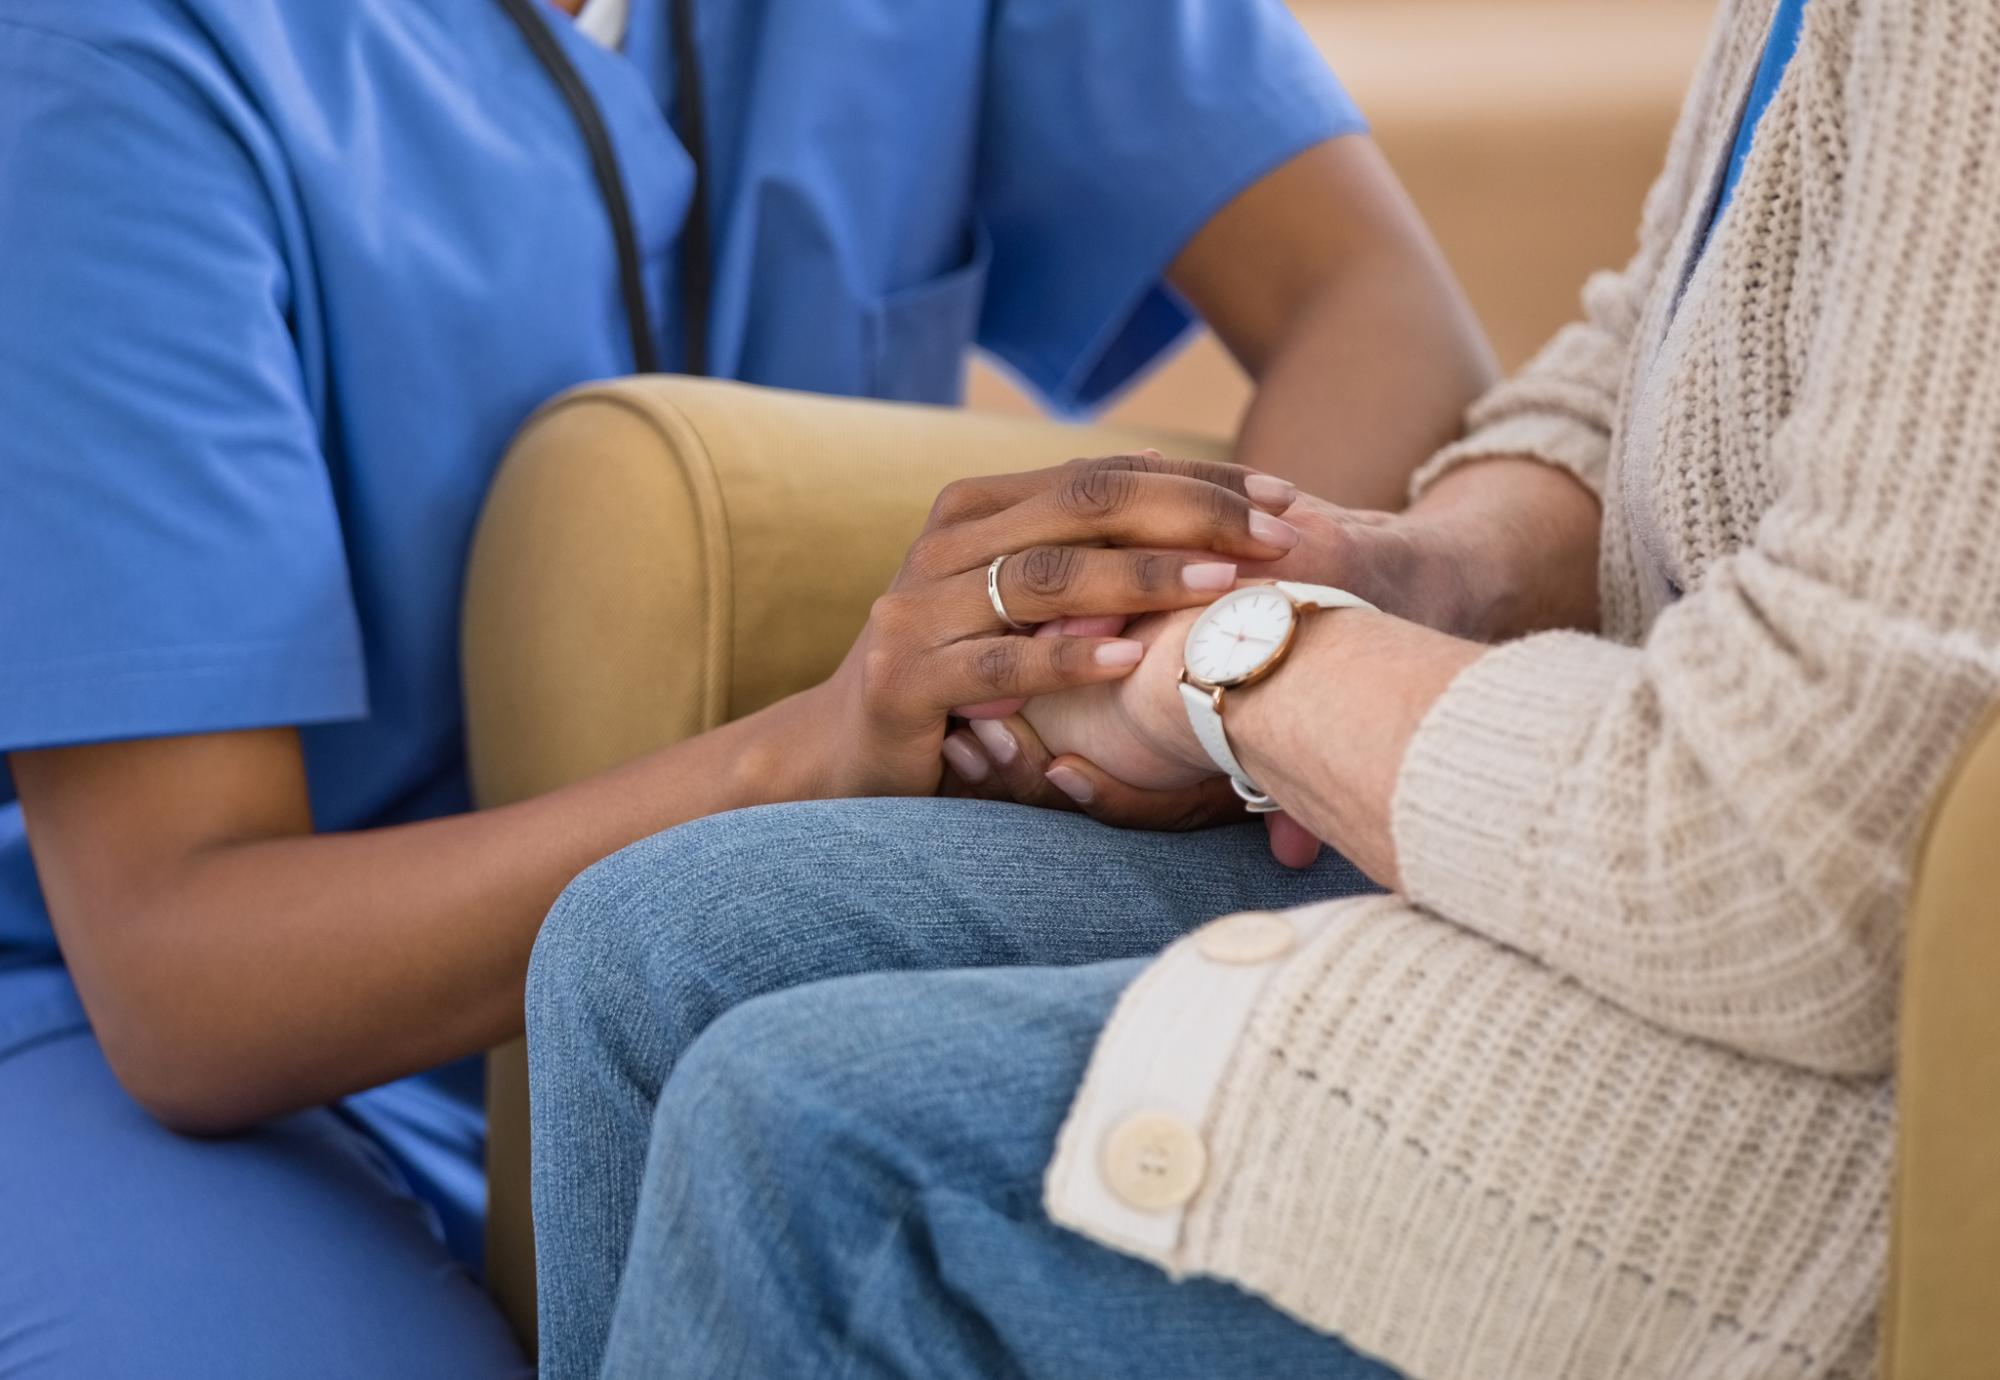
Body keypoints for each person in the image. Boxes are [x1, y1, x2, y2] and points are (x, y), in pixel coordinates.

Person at [0, 0, 1497, 1373]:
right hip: (182, 1034)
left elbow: (1377, 307)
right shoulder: (106, 55)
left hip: (794, 917)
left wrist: (1169, 662)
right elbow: (180, 977)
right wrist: (823, 750)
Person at [525, 0, 1998, 1375]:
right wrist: (1405, 566)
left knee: (802, 1138)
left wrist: (1250, 669)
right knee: (644, 943)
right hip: (1607, 842)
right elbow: (1654, 355)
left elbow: (1799, 859)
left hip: (1835, 1060)